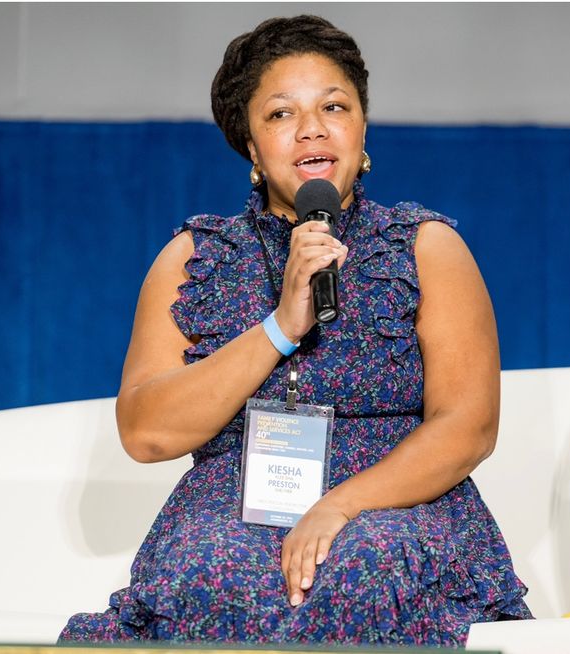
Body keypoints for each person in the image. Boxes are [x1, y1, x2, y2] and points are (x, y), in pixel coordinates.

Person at [59, 14, 532, 646]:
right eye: (281, 113)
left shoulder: (425, 248)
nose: (313, 127)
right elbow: (146, 433)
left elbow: (469, 426)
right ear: (252, 148)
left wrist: (339, 506)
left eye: (334, 106)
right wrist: (281, 327)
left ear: (362, 129)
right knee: (211, 569)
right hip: (233, 506)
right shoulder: (195, 259)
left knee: (365, 564)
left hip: (397, 504)